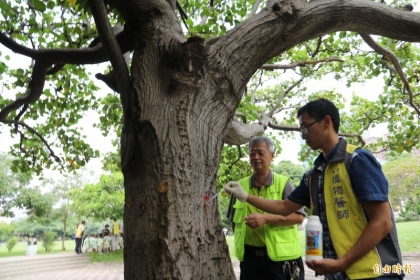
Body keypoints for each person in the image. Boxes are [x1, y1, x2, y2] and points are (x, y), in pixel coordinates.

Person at [224, 98, 403, 280]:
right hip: (336, 274)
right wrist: (245, 196)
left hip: (375, 273)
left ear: (326, 122)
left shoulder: (357, 160)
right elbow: (285, 206)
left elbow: (382, 221)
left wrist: (342, 262)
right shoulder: (313, 174)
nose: (303, 135)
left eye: (305, 127)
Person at [226, 136, 305, 280]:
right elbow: (233, 223)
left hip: (281, 261)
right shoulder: (239, 187)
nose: (255, 157)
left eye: (260, 153)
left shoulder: (284, 183)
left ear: (272, 155)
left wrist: (266, 219)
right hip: (250, 261)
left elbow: (298, 217)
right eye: (252, 153)